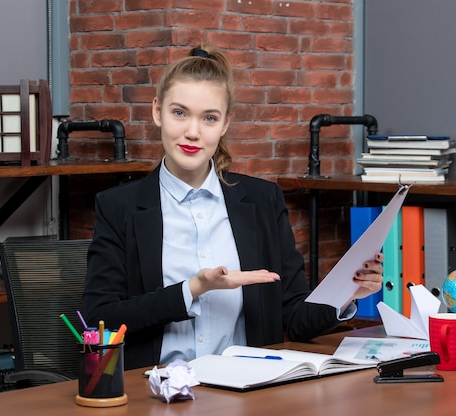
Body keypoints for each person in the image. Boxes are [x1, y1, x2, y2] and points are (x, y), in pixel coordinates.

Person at [83, 44, 384, 370]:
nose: (192, 132)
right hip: (155, 391)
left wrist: (348, 293)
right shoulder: (118, 207)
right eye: (179, 113)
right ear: (157, 111)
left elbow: (293, 316)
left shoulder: (263, 201)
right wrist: (192, 290)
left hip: (247, 390)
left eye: (209, 118)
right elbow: (100, 319)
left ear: (225, 123)